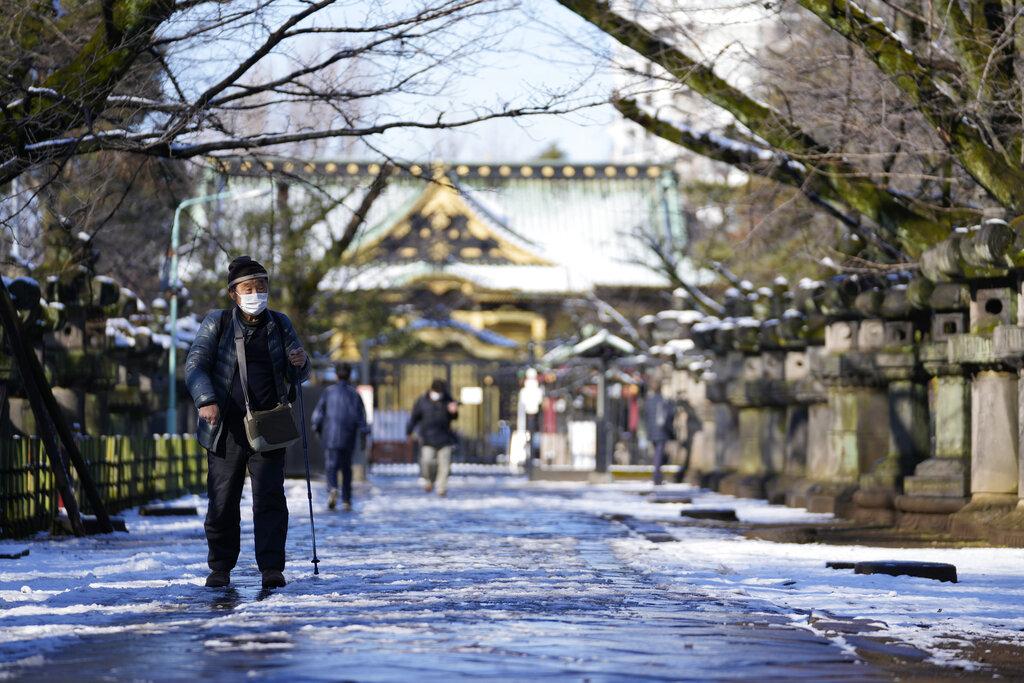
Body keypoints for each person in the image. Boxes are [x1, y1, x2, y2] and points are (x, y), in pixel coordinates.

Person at [185, 255, 310, 590]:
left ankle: (271, 567)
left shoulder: (280, 324)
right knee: (223, 499)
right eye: (249, 289)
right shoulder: (218, 323)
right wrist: (206, 399)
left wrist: (300, 362)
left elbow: (298, 372)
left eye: (261, 287)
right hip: (225, 427)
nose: (256, 294)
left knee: (270, 498)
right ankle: (220, 567)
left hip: (269, 423)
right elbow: (195, 364)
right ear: (234, 294)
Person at [311, 363, 368, 511]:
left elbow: (318, 414)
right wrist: (364, 432)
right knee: (346, 468)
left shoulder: (328, 392)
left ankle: (333, 488)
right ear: (349, 376)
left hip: (330, 435)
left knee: (331, 465)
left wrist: (316, 427)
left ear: (336, 375)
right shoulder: (354, 394)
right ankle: (347, 499)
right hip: (348, 436)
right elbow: (360, 416)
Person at [406, 379, 458, 497]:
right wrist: (409, 431)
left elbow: (454, 417)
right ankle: (429, 480)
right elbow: (414, 417)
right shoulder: (422, 401)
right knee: (427, 462)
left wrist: (454, 412)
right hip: (427, 438)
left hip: (445, 438)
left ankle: (441, 488)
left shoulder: (448, 400)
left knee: (445, 465)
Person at [644, 378, 676, 486]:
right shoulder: (664, 401)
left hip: (652, 432)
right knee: (659, 455)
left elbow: (646, 417)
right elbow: (670, 415)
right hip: (662, 432)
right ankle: (657, 478)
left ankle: (657, 477)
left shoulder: (649, 401)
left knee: (657, 454)